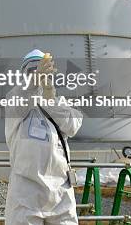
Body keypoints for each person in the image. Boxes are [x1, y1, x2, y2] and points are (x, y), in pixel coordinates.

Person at [5, 49, 83, 225]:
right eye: (32, 70)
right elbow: (19, 101)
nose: (38, 75)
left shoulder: (58, 102)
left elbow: (73, 126)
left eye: (41, 70)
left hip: (60, 191)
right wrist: (34, 82)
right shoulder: (15, 99)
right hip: (27, 191)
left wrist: (50, 98)